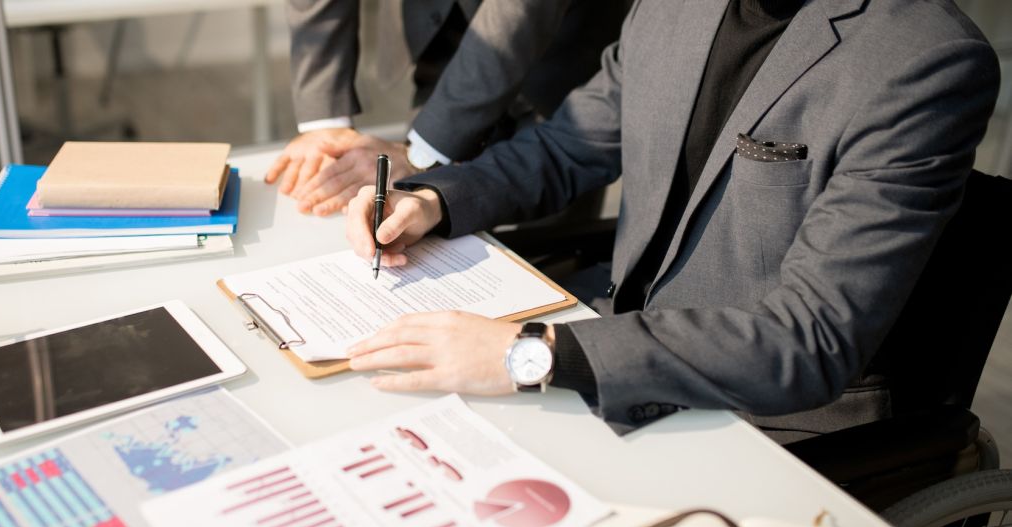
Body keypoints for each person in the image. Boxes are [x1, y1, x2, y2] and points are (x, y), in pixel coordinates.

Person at [342, 0, 999, 442]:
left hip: (763, 420)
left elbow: (809, 341)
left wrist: (533, 353)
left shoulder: (925, 58)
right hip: (611, 340)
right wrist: (434, 199)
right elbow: (569, 145)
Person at [266, 0, 628, 216]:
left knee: (549, 255)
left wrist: (419, 155)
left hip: (559, 68)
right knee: (419, 225)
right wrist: (325, 123)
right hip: (434, 38)